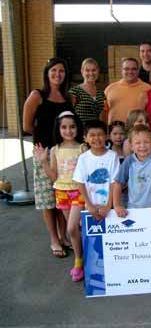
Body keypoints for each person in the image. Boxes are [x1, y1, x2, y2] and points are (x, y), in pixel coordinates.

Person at [23, 57, 74, 259]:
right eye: (54, 70)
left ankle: (63, 236)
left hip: (63, 154)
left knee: (62, 196)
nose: (57, 74)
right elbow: (27, 126)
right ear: (47, 73)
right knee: (47, 199)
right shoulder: (37, 95)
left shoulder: (68, 97)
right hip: (44, 152)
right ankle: (54, 239)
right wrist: (42, 146)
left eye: (61, 71)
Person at [34, 111, 85, 281]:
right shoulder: (55, 149)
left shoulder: (82, 148)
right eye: (64, 127)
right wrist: (44, 162)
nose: (68, 130)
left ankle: (82, 259)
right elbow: (54, 176)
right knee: (75, 230)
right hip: (61, 193)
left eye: (72, 127)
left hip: (78, 192)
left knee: (72, 227)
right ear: (58, 129)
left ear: (78, 128)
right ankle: (80, 261)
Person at [72, 120, 120, 281]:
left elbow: (114, 182)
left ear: (106, 136)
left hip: (108, 205)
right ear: (85, 137)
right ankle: (83, 265)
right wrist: (89, 205)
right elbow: (80, 183)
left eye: (100, 134)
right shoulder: (83, 158)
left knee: (109, 238)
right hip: (90, 205)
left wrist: (109, 205)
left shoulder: (112, 156)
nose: (96, 138)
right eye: (92, 135)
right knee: (91, 238)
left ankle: (112, 268)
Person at [113, 125, 151, 216]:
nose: (142, 146)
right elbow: (118, 183)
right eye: (138, 143)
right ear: (131, 146)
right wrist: (117, 205)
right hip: (133, 208)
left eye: (146, 142)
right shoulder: (128, 161)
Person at [104, 57, 151, 124]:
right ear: (121, 70)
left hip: (138, 132)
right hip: (115, 133)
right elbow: (103, 114)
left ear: (138, 71)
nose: (130, 72)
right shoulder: (110, 89)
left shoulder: (148, 89)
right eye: (126, 69)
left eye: (133, 69)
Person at [69, 58, 105, 125]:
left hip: (96, 132)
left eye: (94, 70)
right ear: (82, 71)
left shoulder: (101, 93)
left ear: (98, 71)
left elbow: (102, 116)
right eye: (87, 70)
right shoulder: (75, 91)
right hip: (81, 132)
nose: (91, 73)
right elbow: (69, 114)